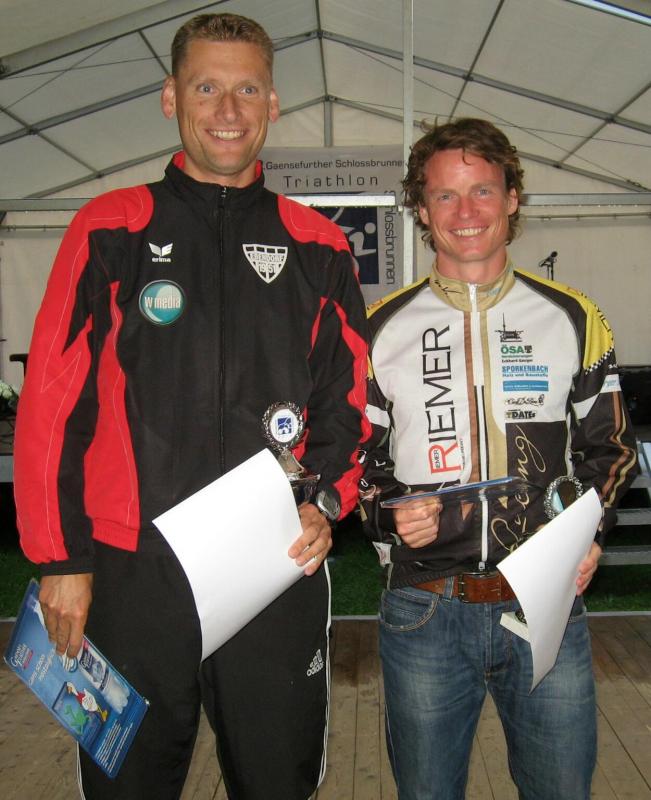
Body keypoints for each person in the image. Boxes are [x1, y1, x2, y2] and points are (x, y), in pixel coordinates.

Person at [14, 13, 369, 800]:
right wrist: (61, 560)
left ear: (272, 102)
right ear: (171, 97)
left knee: (277, 782)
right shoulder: (110, 227)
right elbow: (52, 402)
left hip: (274, 563)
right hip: (133, 572)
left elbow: (348, 402)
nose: (228, 110)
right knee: (128, 784)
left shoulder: (319, 245)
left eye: (247, 89)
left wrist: (322, 503)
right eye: (207, 88)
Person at [359, 117, 638, 800]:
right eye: (445, 195)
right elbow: (356, 461)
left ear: (512, 198)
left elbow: (610, 448)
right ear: (422, 209)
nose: (466, 212)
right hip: (423, 608)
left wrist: (587, 532)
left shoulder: (573, 316)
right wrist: (388, 512)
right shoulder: (377, 328)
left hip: (545, 605)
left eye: (482, 190)